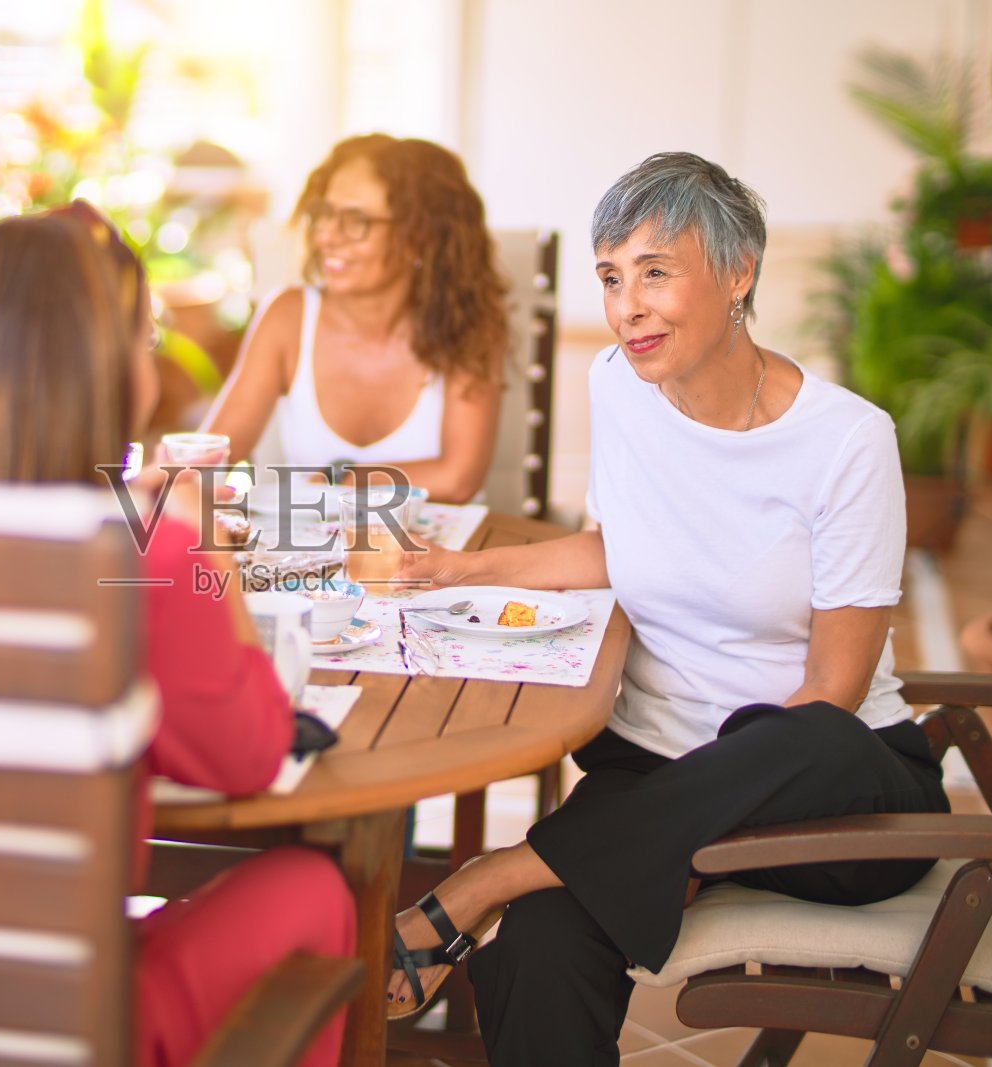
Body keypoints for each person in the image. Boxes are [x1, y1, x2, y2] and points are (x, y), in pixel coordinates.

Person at [382, 152, 950, 1065]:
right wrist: (467, 568)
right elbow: (627, 546)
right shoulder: (621, 385)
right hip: (653, 775)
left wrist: (692, 830)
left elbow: (833, 693)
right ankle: (535, 884)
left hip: (833, 801)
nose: (627, 305)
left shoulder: (846, 442)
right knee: (540, 950)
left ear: (738, 273)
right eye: (611, 277)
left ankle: (490, 875)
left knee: (812, 734)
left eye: (655, 271)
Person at [0, 205, 355, 1067]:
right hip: (61, 1022)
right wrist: (203, 545)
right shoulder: (145, 556)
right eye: (142, 342)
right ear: (106, 368)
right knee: (313, 888)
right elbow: (250, 757)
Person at [201, 134, 508, 503]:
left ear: (421, 235)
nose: (326, 236)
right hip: (311, 556)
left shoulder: (471, 324)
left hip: (443, 555)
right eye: (324, 215)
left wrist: (334, 481)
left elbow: (458, 480)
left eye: (356, 220)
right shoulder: (287, 317)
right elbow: (211, 456)